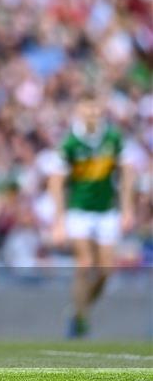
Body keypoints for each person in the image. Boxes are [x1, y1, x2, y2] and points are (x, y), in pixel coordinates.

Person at [48, 91, 135, 337]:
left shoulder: (113, 137)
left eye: (96, 109)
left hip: (106, 210)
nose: (93, 114)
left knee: (107, 270)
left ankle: (79, 311)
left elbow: (127, 173)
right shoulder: (70, 142)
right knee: (85, 263)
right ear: (79, 110)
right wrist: (59, 221)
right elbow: (56, 182)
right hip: (79, 210)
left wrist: (127, 208)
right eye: (88, 109)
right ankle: (81, 317)